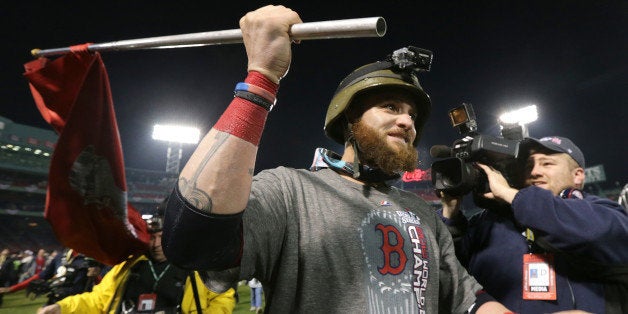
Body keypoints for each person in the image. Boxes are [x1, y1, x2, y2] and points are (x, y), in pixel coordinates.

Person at [161, 5, 510, 313]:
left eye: (412, 116)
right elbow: (192, 240)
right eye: (390, 107)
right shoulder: (291, 191)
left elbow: (467, 300)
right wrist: (262, 79)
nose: (407, 121)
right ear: (348, 119)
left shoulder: (423, 214)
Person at [439, 135, 628, 313]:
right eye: (528, 165)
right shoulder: (487, 223)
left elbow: (592, 231)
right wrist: (450, 212)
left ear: (578, 175)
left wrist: (509, 194)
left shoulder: (605, 212)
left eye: (547, 163)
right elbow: (446, 272)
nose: (535, 171)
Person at [36, 208, 236, 314]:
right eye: (153, 237)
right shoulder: (128, 266)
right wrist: (62, 308)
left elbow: (223, 298)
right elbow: (98, 301)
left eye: (162, 237)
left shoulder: (196, 267)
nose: (157, 243)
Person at [0, 248, 99, 305]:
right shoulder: (59, 257)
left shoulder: (94, 258)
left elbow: (106, 286)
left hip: (77, 306)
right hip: (54, 302)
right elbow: (41, 276)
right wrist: (12, 288)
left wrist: (96, 277)